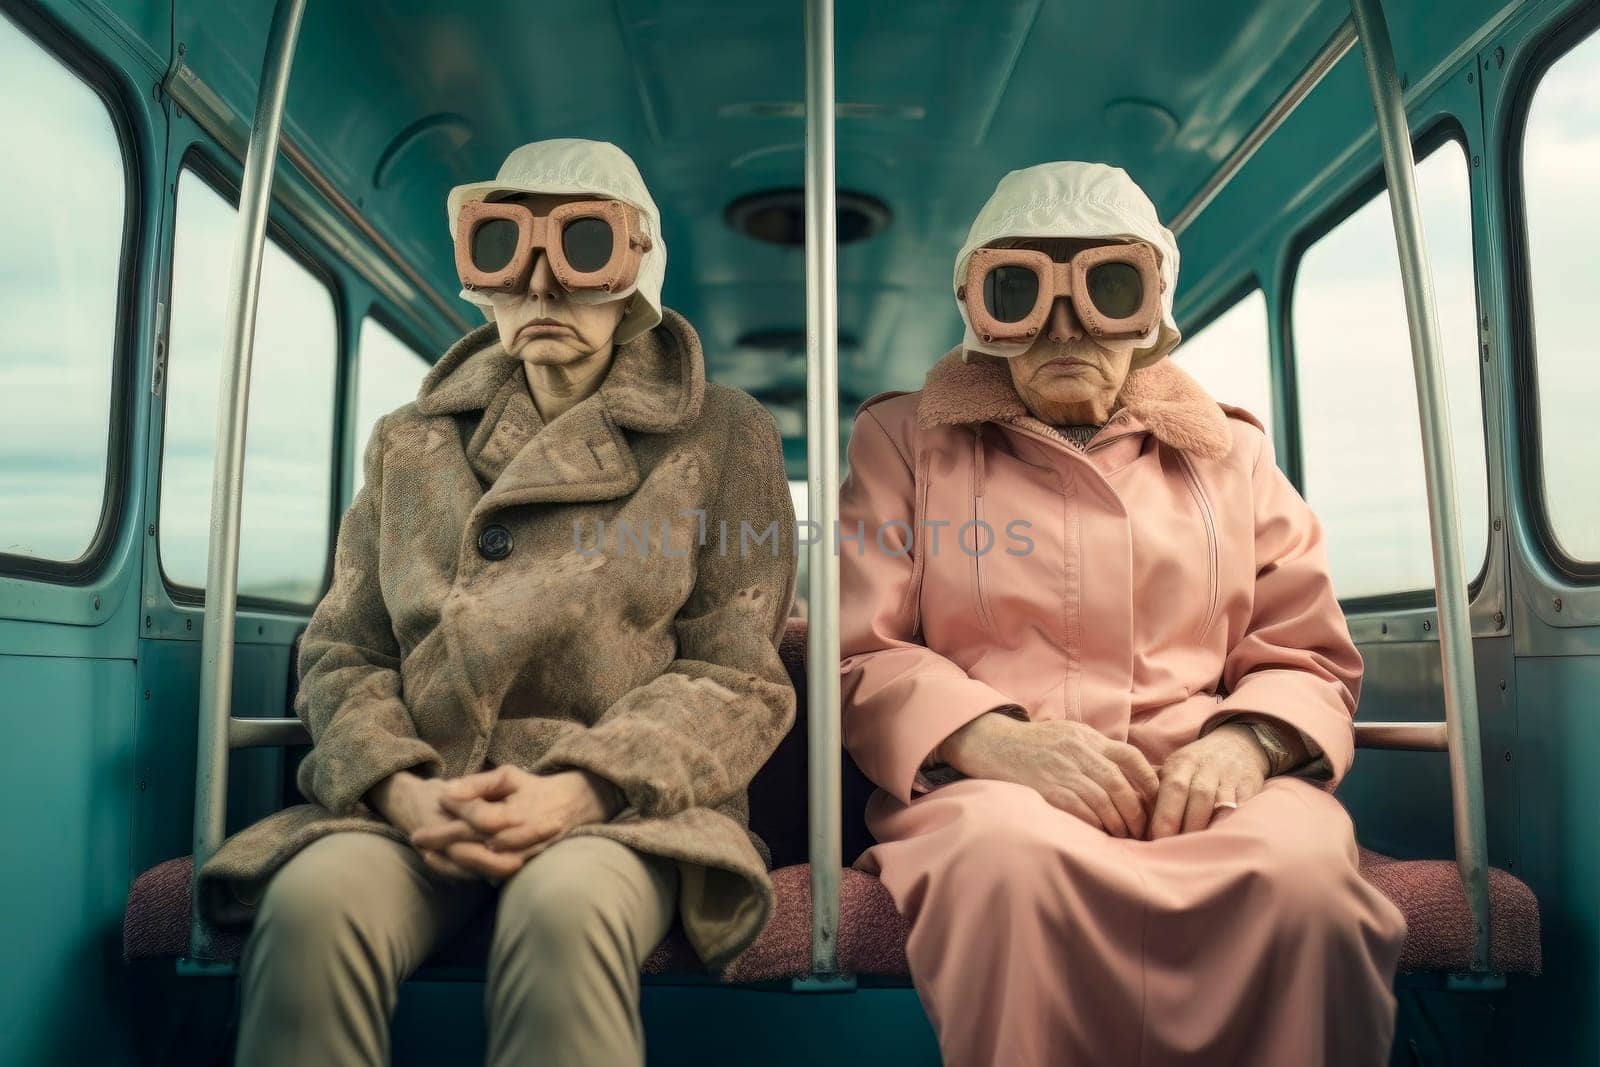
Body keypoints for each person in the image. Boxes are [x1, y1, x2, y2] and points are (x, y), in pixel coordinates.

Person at [197, 138, 796, 1066]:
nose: (544, 290)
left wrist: (585, 784)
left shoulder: (724, 436)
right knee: (312, 908)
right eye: (506, 256)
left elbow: (738, 673)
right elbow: (342, 649)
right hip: (426, 794)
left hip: (623, 803)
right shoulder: (412, 441)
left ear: (636, 272)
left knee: (564, 914)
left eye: (584, 252)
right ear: (481, 278)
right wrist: (396, 786)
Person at [838, 160, 1407, 1066]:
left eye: (1108, 285)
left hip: (1205, 781)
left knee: (1304, 879)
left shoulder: (1233, 455)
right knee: (1007, 867)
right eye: (1020, 290)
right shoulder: (905, 443)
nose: (1064, 324)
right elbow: (858, 649)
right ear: (978, 310)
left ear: (1154, 307)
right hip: (991, 789)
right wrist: (994, 741)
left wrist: (1244, 743)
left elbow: (1303, 652)